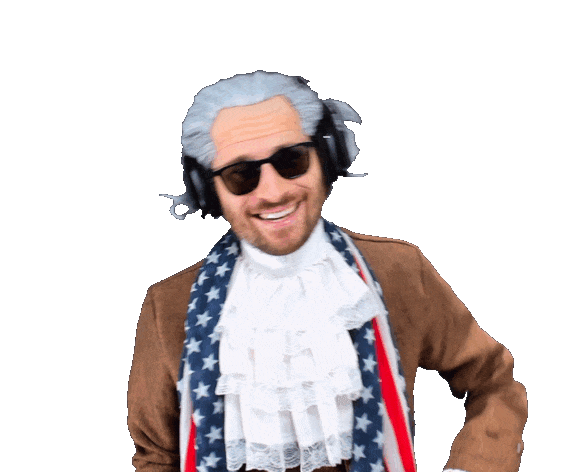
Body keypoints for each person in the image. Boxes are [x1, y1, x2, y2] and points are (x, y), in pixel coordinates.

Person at [128, 71, 527, 472]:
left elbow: (493, 382)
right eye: (241, 175)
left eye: (292, 160)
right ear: (209, 189)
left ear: (326, 158)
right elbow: (155, 456)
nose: (273, 192)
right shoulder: (167, 306)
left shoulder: (400, 270)